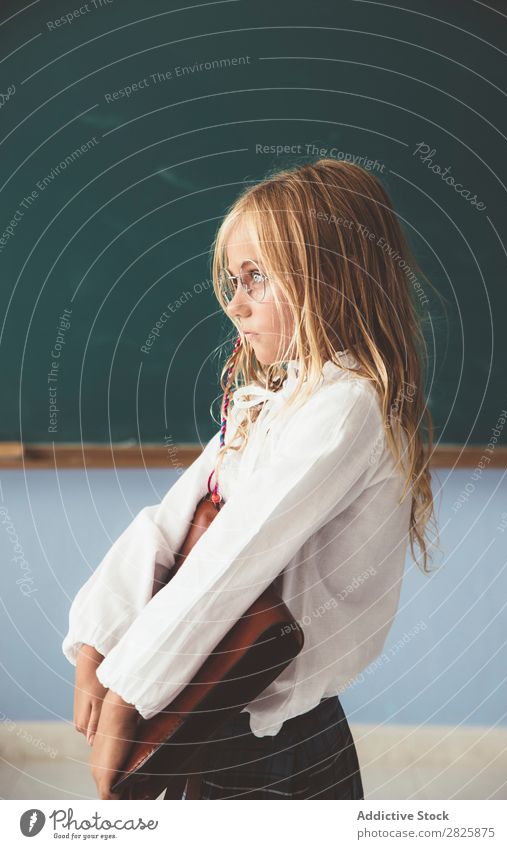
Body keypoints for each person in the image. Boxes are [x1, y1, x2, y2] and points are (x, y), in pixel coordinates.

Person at [62, 158, 437, 800]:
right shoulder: (277, 398)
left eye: (257, 279)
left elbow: (235, 555)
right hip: (216, 714)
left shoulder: (346, 407)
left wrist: (128, 691)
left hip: (275, 745)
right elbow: (171, 519)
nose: (235, 304)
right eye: (234, 281)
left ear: (328, 279)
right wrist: (98, 641)